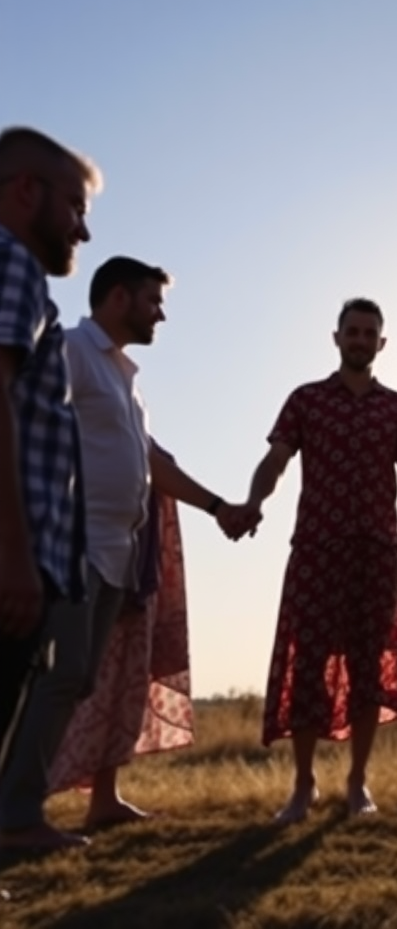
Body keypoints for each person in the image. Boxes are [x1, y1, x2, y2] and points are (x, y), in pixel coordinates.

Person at [0, 256, 255, 843]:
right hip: (72, 545)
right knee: (59, 675)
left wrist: (219, 508)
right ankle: (16, 817)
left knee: (78, 678)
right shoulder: (69, 352)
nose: (160, 313)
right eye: (152, 301)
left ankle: (19, 809)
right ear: (118, 298)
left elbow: (152, 465)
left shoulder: (126, 379)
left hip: (116, 552)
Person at [241, 298, 397, 823]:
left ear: (382, 343)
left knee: (369, 665)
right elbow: (276, 460)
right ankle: (304, 785)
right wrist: (253, 503)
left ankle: (357, 781)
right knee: (307, 666)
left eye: (369, 333)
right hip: (315, 549)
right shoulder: (305, 400)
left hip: (376, 550)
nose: (360, 339)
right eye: (352, 331)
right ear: (336, 337)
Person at [0, 126, 100, 853]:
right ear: (25, 191)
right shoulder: (13, 266)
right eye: (73, 205)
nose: (83, 228)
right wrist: (14, 557)